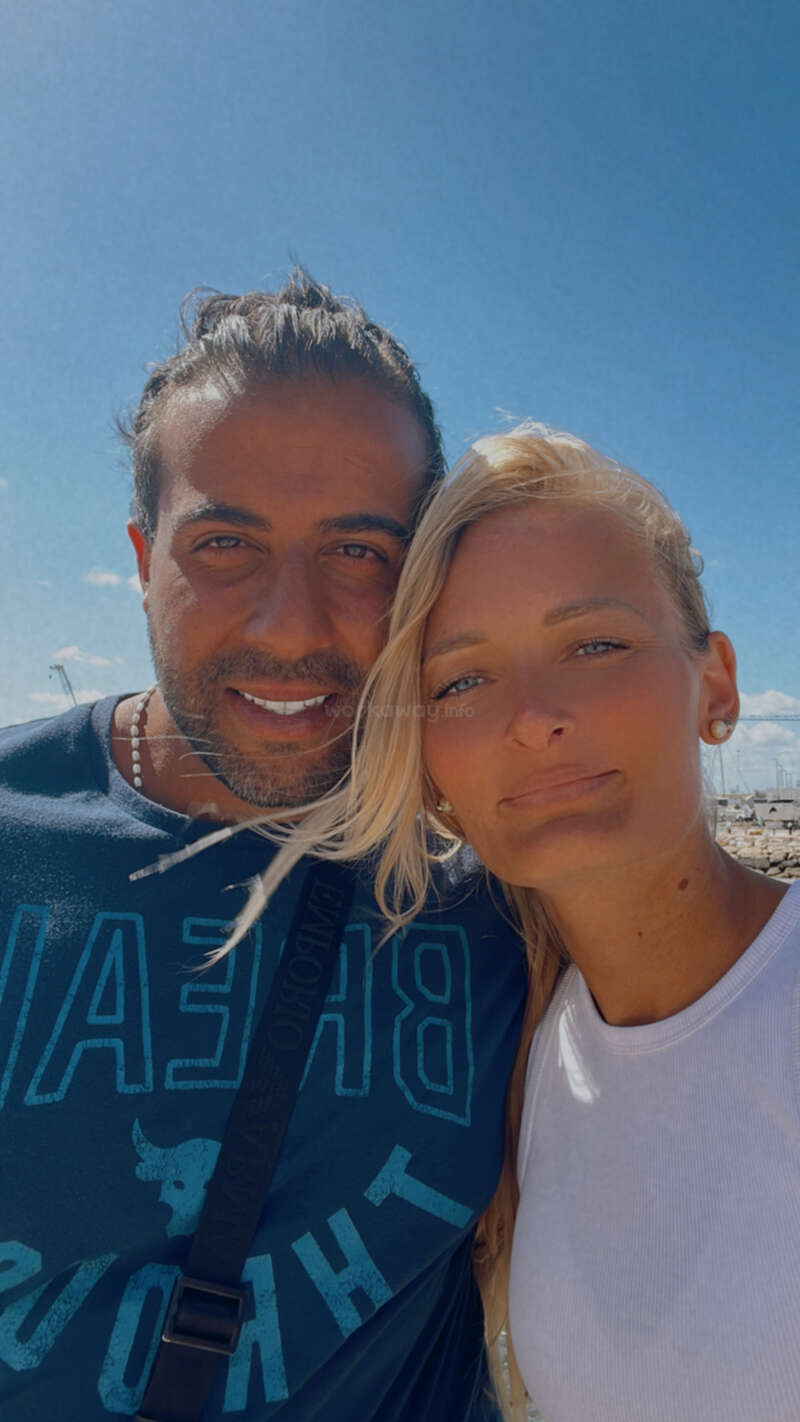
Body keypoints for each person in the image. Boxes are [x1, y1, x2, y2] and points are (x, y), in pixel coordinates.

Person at [0, 272, 528, 1421]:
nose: (290, 627)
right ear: (141, 560)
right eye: (225, 543)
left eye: (358, 553)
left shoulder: (505, 899)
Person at [235, 422, 800, 1421]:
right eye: (461, 680)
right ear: (430, 765)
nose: (532, 718)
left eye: (594, 645)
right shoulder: (517, 1057)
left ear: (714, 684)